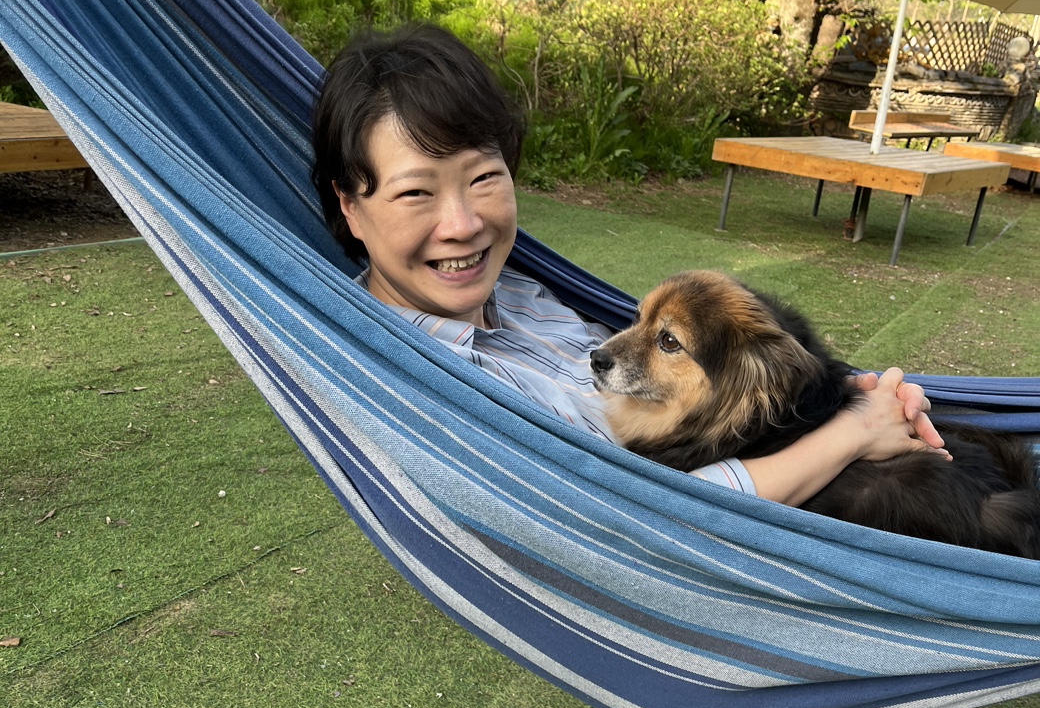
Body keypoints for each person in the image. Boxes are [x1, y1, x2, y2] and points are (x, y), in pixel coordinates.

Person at [311, 25, 948, 505]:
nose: (463, 225)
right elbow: (653, 515)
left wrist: (835, 402)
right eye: (415, 192)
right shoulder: (409, 377)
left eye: (483, 177)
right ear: (351, 207)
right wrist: (852, 436)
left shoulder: (523, 289)